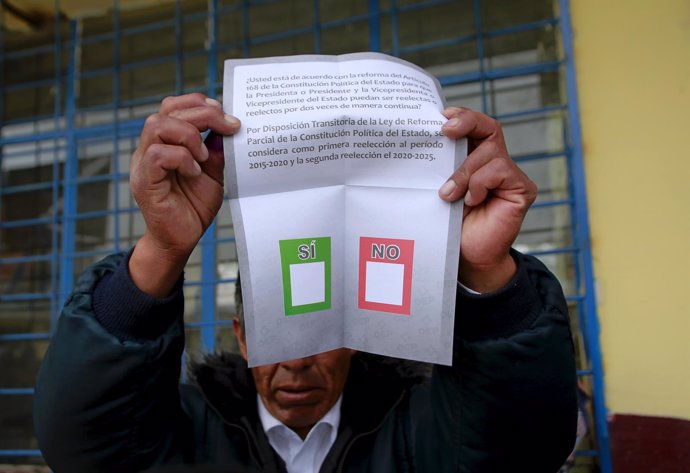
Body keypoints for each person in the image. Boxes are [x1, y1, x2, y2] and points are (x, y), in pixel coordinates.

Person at [34, 93, 577, 472]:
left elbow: (520, 450)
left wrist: (486, 272)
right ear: (241, 337)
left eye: (318, 330)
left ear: (353, 330)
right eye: (277, 331)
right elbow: (84, 448)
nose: (296, 361)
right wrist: (162, 248)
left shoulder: (417, 427)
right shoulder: (187, 431)